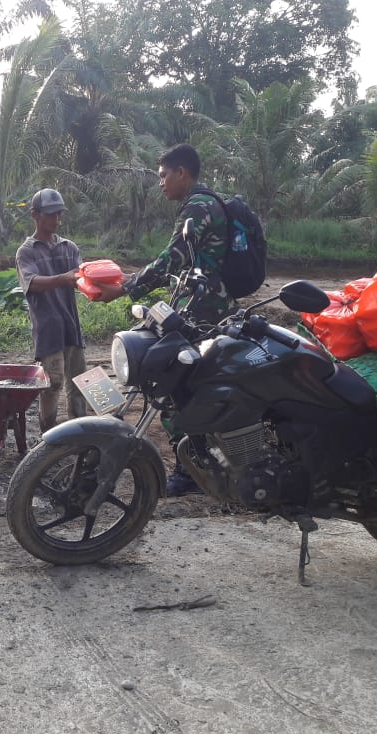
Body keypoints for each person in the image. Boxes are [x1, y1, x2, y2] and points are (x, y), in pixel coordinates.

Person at [95, 144, 233, 496]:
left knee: (173, 383)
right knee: (185, 386)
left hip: (204, 310)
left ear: (182, 172)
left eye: (163, 176)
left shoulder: (199, 206)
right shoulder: (198, 204)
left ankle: (193, 470)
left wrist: (126, 287)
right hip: (197, 304)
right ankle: (200, 461)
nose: (161, 184)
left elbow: (173, 257)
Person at [15, 188, 88, 432]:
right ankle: (49, 437)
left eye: (59, 214)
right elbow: (31, 283)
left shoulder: (69, 247)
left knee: (78, 384)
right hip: (48, 329)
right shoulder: (27, 251)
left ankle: (79, 434)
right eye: (51, 214)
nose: (57, 219)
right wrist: (63, 278)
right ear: (35, 215)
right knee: (52, 384)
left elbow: (82, 276)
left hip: (71, 327)